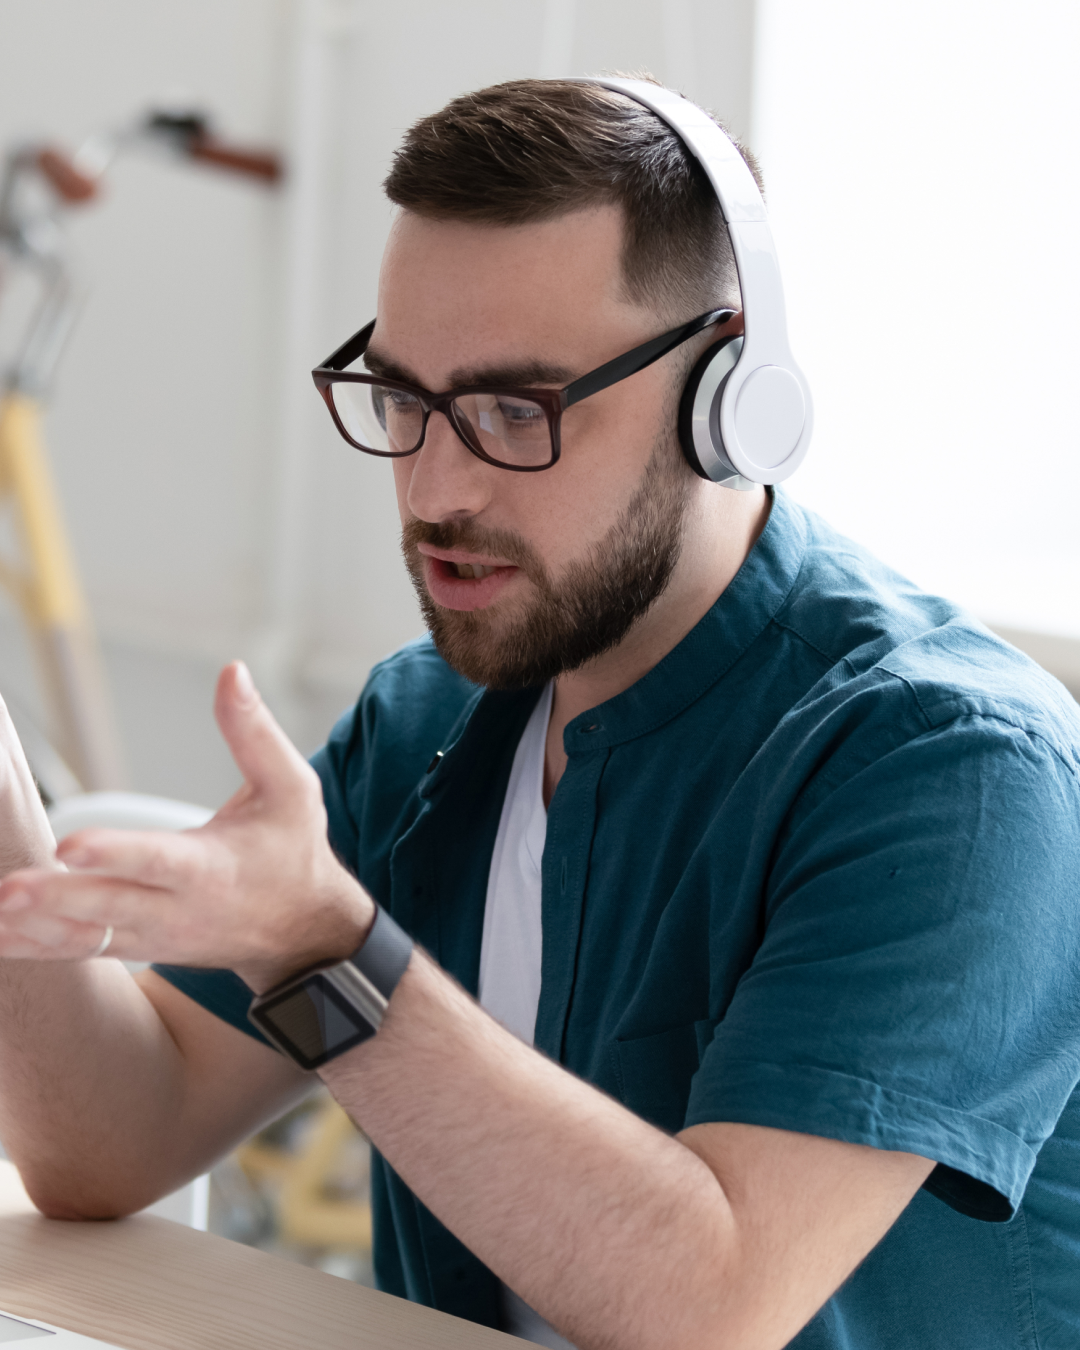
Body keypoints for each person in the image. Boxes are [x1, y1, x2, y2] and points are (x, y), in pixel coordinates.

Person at [0, 76, 1077, 1350]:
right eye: (403, 399)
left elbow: (706, 1304)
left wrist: (321, 951)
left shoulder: (951, 771)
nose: (435, 485)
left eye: (516, 410)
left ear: (732, 398)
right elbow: (117, 1140)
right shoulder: (434, 715)